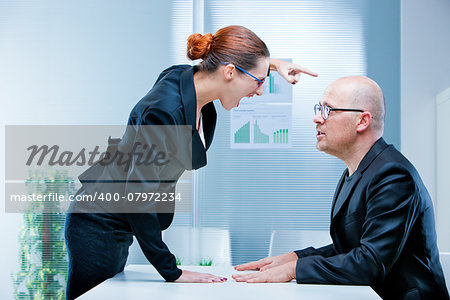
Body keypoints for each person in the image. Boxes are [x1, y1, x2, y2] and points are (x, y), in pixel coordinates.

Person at [64, 25, 318, 299]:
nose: (260, 91)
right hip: (97, 222)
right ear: (229, 72)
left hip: (117, 222)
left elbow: (234, 59)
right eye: (259, 81)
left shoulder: (184, 79)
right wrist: (171, 270)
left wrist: (272, 65)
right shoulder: (163, 112)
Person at [233, 76, 449, 300]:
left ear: (362, 121)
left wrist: (294, 270)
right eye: (319, 109)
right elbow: (349, 248)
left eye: (328, 110)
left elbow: (370, 262)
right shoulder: (357, 170)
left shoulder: (393, 175)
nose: (317, 118)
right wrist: (295, 258)